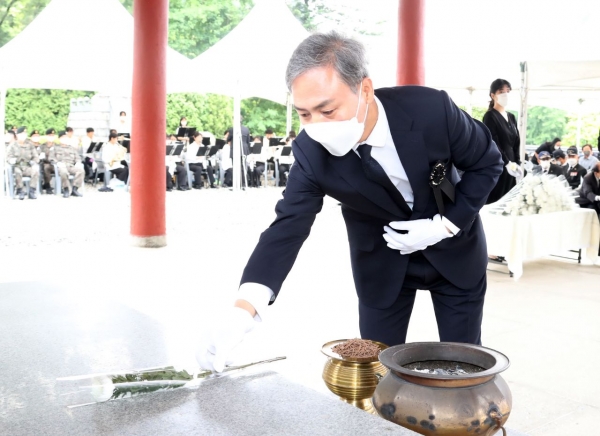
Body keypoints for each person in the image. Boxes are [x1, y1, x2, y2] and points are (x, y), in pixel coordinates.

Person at [196, 31, 503, 373]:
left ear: (365, 90)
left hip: (455, 253)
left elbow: (487, 162)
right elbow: (288, 225)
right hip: (382, 264)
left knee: (463, 366)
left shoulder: (430, 110)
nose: (316, 126)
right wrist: (244, 309)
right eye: (304, 114)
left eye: (327, 110)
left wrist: (444, 225)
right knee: (378, 372)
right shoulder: (311, 152)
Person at [482, 79, 523, 205]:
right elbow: (493, 143)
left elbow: (516, 142)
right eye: (501, 91)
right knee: (498, 200)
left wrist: (517, 162)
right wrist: (507, 163)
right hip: (498, 164)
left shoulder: (511, 117)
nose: (505, 94)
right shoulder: (490, 116)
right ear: (493, 95)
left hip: (512, 166)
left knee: (510, 202)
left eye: (507, 91)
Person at [6, 127, 39, 200]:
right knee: (18, 172)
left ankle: (32, 191)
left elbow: (36, 156)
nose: (23, 135)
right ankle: (20, 191)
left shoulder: (30, 145)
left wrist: (34, 162)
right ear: (17, 135)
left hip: (27, 166)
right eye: (22, 134)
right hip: (17, 166)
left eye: (25, 134)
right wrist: (11, 160)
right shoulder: (13, 145)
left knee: (35, 170)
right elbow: (8, 157)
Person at [55, 131, 84, 198]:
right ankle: (66, 189)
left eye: (65, 137)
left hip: (71, 166)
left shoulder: (71, 148)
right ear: (59, 139)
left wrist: (78, 162)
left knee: (81, 171)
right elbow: (52, 158)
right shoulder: (56, 148)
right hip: (62, 166)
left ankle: (75, 189)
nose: (64, 139)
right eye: (63, 137)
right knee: (63, 172)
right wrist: (57, 163)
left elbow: (77, 157)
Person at [39, 128, 57, 194]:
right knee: (46, 167)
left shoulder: (57, 146)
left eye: (53, 135)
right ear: (46, 136)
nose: (51, 137)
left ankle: (63, 187)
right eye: (50, 135)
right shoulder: (42, 146)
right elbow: (39, 155)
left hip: (55, 164)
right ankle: (47, 185)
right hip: (46, 163)